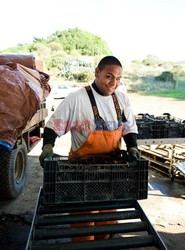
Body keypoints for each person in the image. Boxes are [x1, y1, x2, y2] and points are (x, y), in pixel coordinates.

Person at [39, 55, 140, 241]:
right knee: (84, 221)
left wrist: (132, 147)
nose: (113, 83)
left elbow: (129, 128)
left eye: (118, 79)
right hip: (82, 173)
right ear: (97, 72)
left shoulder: (122, 100)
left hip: (112, 171)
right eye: (109, 76)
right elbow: (53, 126)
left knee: (108, 218)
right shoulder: (77, 99)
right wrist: (47, 147)